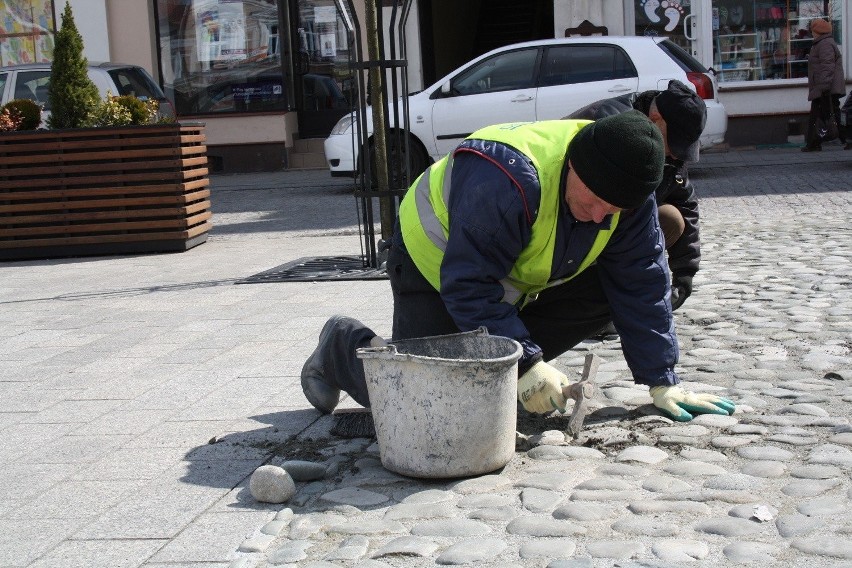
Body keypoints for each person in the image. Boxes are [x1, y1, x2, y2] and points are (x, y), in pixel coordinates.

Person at [302, 111, 735, 423]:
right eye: (595, 201)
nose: (603, 216)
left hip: (509, 279)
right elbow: (469, 284)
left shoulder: (625, 197)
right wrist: (527, 364)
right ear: (573, 168)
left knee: (494, 384)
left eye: (616, 209)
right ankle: (341, 345)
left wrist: (662, 379)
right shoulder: (505, 181)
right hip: (433, 267)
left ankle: (504, 369)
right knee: (428, 407)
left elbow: (642, 281)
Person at [566, 80, 706, 335]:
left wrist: (685, 270)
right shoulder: (609, 125)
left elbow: (686, 202)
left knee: (671, 218)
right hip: (578, 218)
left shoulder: (670, 151)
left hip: (626, 221)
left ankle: (616, 303)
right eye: (673, 145)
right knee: (611, 216)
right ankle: (585, 308)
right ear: (655, 118)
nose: (675, 156)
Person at [802, 18, 846, 152]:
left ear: (817, 31)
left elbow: (827, 67)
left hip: (826, 88)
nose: (811, 33)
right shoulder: (821, 43)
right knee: (828, 115)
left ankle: (814, 144)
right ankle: (814, 143)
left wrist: (823, 87)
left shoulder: (824, 44)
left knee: (828, 115)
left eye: (813, 30)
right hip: (824, 87)